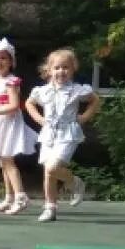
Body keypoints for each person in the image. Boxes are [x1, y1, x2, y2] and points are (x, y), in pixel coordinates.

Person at [24, 48, 101, 223]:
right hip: (49, 133)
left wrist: (84, 117)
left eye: (65, 67)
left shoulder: (76, 90)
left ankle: (74, 183)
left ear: (73, 68)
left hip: (68, 133)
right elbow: (29, 103)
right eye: (57, 67)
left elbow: (95, 100)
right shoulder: (42, 91)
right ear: (49, 70)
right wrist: (39, 119)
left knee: (52, 167)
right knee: (48, 172)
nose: (61, 71)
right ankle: (50, 207)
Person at [0, 38, 37, 214]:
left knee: (7, 160)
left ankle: (21, 197)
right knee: (2, 161)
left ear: (11, 61)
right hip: (1, 124)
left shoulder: (12, 81)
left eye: (4, 58)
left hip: (11, 123)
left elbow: (13, 106)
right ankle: (8, 197)